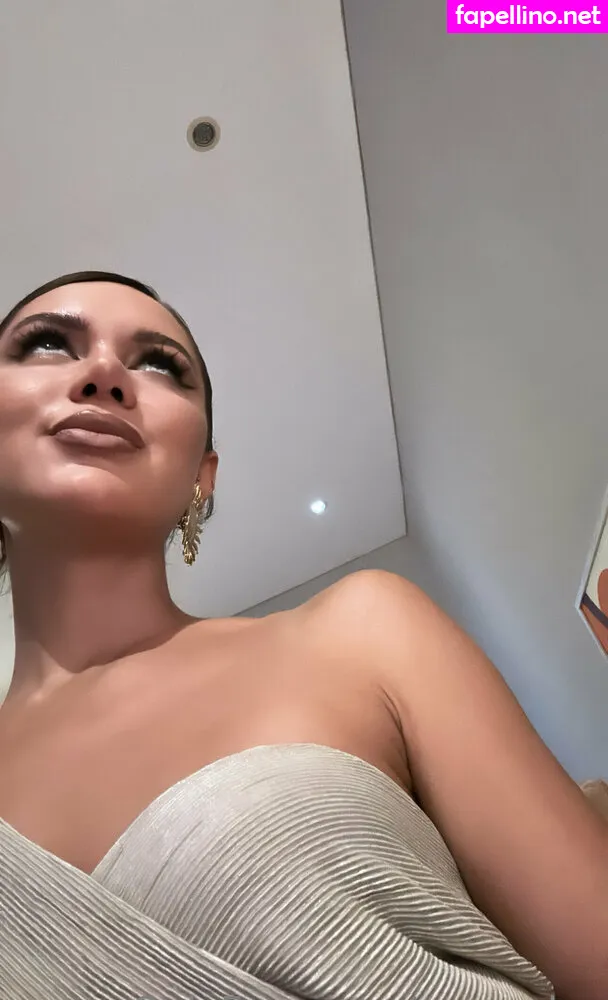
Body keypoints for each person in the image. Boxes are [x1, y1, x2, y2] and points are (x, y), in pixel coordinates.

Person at [0, 272, 605, 1000]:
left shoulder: (364, 632)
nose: (104, 375)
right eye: (46, 345)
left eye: (159, 365)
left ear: (202, 479)